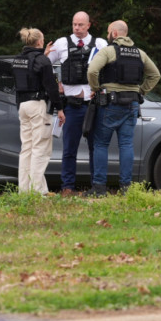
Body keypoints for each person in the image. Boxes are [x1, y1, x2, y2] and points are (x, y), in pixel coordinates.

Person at [86, 20, 161, 196]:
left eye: (108, 32)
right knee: (126, 144)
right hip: (132, 104)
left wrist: (96, 88)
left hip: (110, 104)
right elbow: (155, 75)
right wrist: (141, 91)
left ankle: (99, 188)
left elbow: (92, 71)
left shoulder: (108, 51)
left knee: (101, 144)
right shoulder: (140, 53)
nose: (107, 35)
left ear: (114, 33)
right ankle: (126, 187)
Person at [45, 11, 108, 196]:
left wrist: (102, 87)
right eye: (74, 24)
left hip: (93, 105)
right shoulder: (61, 43)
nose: (77, 28)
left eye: (81, 25)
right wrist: (56, 83)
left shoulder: (100, 44)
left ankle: (96, 187)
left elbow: (109, 68)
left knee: (95, 148)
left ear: (88, 25)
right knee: (69, 149)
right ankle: (68, 187)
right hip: (72, 106)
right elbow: (44, 64)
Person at [13, 27, 64, 194]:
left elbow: (30, 74)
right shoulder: (42, 61)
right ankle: (36, 191)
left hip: (23, 106)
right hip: (38, 106)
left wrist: (44, 55)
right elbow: (51, 87)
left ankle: (25, 191)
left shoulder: (18, 60)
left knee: (26, 149)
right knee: (40, 149)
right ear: (40, 41)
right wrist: (60, 109)